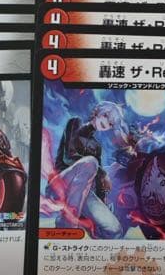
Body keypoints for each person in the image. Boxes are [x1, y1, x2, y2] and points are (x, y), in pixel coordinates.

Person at [52, 101, 131, 238]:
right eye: (105, 115)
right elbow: (69, 157)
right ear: (97, 112)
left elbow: (98, 181)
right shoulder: (75, 122)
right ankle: (66, 223)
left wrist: (102, 200)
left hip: (84, 192)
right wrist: (102, 172)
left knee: (115, 230)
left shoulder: (96, 146)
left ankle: (84, 222)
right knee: (91, 163)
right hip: (62, 182)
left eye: (110, 123)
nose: (106, 123)